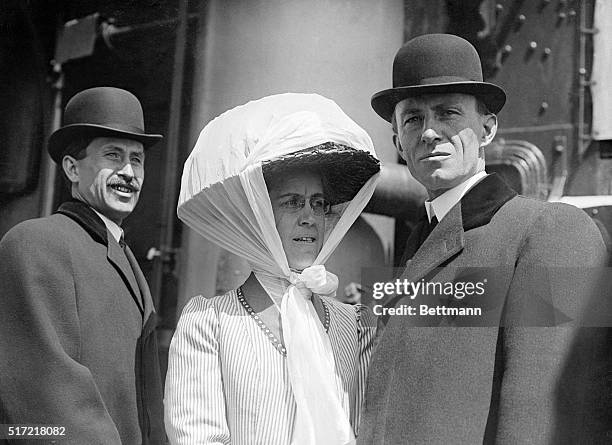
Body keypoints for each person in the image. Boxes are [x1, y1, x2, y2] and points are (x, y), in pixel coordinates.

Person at [358, 34, 609, 443]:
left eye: (449, 113)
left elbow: (547, 415)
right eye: (412, 119)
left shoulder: (548, 232)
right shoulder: (418, 246)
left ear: (488, 128)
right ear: (397, 142)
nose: (429, 132)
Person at [164, 93, 380, 445]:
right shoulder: (210, 323)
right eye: (292, 202)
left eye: (319, 203)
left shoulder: (355, 325)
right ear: (259, 215)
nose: (309, 217)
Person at [0, 87, 166, 444]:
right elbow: (45, 399)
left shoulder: (121, 253)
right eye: (113, 155)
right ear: (72, 168)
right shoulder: (35, 242)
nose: (128, 172)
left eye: (136, 159)